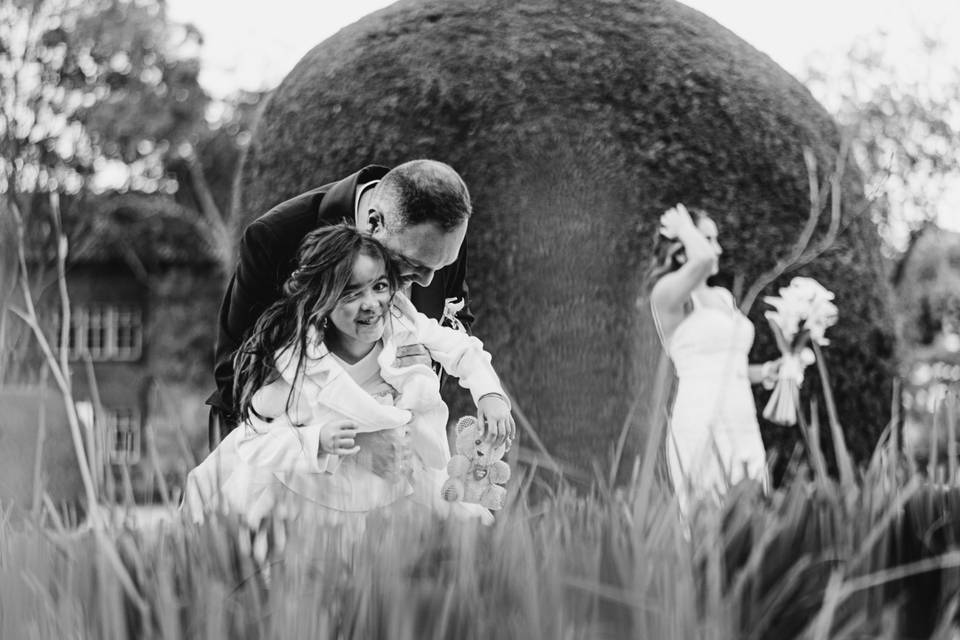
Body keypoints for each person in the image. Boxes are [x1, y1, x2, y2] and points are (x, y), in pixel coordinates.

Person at [184, 224, 515, 526]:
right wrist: (325, 441)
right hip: (310, 498)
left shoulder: (403, 325)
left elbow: (461, 349)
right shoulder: (298, 362)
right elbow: (257, 442)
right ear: (321, 300)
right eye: (351, 293)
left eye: (380, 286)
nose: (371, 304)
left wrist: (490, 394)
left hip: (395, 488)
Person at [206, 160, 475, 454]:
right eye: (412, 264)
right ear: (374, 223)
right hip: (285, 452)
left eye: (442, 266)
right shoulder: (275, 237)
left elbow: (457, 320)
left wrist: (430, 363)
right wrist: (341, 440)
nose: (426, 282)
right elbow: (234, 371)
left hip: (396, 458)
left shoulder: (439, 240)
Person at [646, 204, 779, 510]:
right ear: (682, 251)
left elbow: (730, 367)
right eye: (708, 239)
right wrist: (682, 227)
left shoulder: (722, 297)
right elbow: (704, 260)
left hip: (742, 419)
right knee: (709, 522)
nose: (716, 249)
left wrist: (766, 372)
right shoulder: (666, 294)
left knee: (754, 516)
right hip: (701, 420)